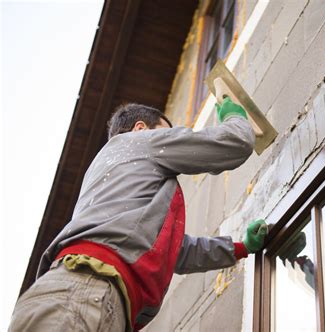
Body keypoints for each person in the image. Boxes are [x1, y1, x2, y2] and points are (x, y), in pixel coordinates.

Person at [9, 97, 268, 332]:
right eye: (168, 133)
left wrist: (239, 248)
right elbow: (232, 144)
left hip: (74, 294)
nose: (175, 139)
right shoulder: (136, 143)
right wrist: (235, 118)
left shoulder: (113, 175)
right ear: (141, 129)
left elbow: (173, 250)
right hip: (85, 294)